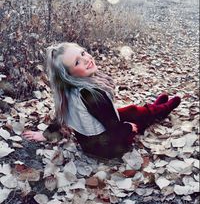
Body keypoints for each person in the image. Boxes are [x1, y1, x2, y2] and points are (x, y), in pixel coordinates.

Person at [23, 42, 181, 159]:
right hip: (107, 147)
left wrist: (46, 135)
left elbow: (61, 118)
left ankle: (154, 108)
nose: (86, 59)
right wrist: (128, 128)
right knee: (134, 119)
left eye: (83, 53)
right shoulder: (91, 95)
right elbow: (114, 128)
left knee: (132, 110)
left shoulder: (67, 90)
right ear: (68, 73)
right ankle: (162, 110)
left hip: (89, 142)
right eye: (77, 62)